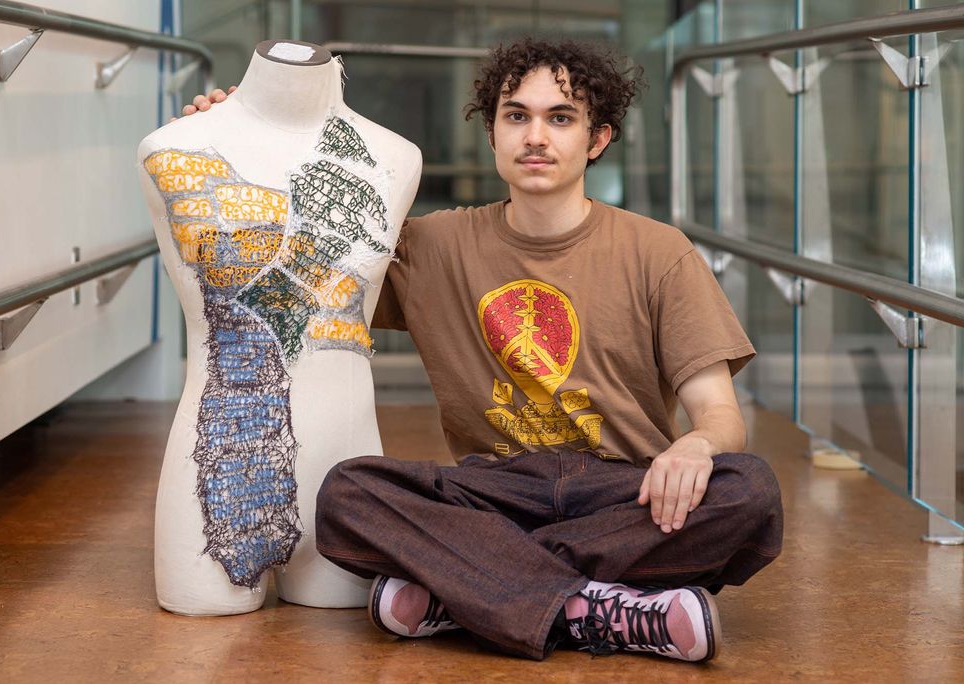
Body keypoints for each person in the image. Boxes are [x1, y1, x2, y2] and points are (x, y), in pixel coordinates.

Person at [182, 38, 783, 663]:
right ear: (492, 133)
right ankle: (599, 609)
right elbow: (297, 243)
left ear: (597, 140)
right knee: (347, 495)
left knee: (749, 492)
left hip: (622, 496)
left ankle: (471, 588)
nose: (535, 137)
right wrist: (234, 139)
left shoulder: (659, 253)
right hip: (492, 496)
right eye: (516, 116)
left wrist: (696, 444)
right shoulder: (431, 246)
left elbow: (720, 413)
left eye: (561, 118)